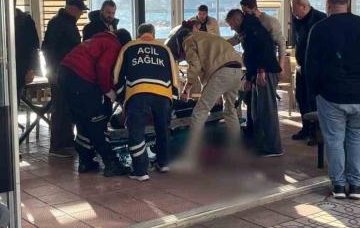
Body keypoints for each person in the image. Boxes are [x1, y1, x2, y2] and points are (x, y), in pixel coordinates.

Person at [305, 0, 360, 200]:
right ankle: (356, 185)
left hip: (331, 95)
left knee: (334, 140)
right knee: (358, 139)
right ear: (349, 3)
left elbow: (310, 65)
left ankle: (338, 185)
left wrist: (314, 91)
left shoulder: (319, 29)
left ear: (327, 4)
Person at [58, 29, 130, 177]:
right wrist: (108, 90)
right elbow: (103, 67)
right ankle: (111, 163)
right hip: (81, 78)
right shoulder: (113, 45)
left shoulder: (98, 39)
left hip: (65, 74)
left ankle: (85, 161)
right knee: (96, 120)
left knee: (84, 121)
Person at [113, 23, 179, 180]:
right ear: (153, 34)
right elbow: (174, 75)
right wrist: (174, 98)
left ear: (138, 35)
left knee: (136, 131)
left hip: (138, 92)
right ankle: (163, 163)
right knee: (163, 129)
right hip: (163, 94)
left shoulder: (129, 47)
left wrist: (121, 96)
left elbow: (117, 75)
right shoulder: (164, 49)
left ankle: (140, 171)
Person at [173, 21, 243, 159]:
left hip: (221, 73)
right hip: (237, 71)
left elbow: (195, 67)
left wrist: (186, 90)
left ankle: (192, 153)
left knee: (199, 113)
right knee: (230, 111)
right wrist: (212, 90)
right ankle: (236, 148)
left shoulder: (188, 40)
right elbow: (209, 66)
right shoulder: (208, 36)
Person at [226, 9, 282, 157]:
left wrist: (261, 71)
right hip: (258, 72)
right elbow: (252, 56)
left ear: (237, 20)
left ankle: (273, 148)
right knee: (257, 110)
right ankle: (260, 143)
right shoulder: (248, 30)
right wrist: (250, 78)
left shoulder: (253, 30)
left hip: (266, 72)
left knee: (267, 110)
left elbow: (263, 51)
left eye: (231, 24)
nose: (231, 28)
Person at [42, 0, 88, 155]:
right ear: (72, 8)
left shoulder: (67, 23)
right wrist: (52, 71)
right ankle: (57, 145)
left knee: (68, 107)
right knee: (60, 108)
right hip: (59, 72)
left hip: (68, 72)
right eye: (80, 10)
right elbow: (49, 49)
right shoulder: (58, 23)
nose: (81, 14)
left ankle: (67, 141)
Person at [0, 0, 40, 99]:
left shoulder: (25, 20)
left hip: (19, 68)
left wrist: (32, 69)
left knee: (14, 99)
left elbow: (34, 47)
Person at [290, 0, 326, 143]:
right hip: (301, 67)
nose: (293, 12)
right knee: (301, 98)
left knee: (313, 101)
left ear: (303, 6)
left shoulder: (320, 19)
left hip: (316, 68)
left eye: (294, 9)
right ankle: (305, 129)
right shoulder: (297, 21)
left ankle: (315, 132)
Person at [229, 0, 288, 73]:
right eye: (243, 12)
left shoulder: (270, 22)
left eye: (246, 12)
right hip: (253, 65)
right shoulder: (247, 22)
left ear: (254, 8)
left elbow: (281, 44)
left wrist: (281, 66)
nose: (245, 14)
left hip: (267, 64)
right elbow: (236, 39)